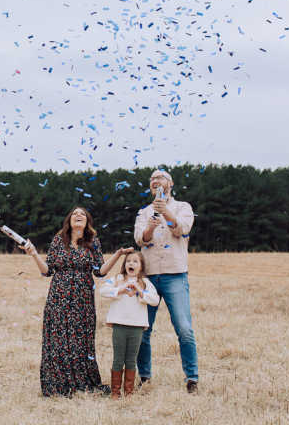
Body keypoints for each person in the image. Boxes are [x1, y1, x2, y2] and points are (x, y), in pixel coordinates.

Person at [20, 206, 133, 397]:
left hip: (83, 300)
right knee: (58, 340)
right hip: (58, 297)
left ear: (87, 221)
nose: (78, 215)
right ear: (69, 221)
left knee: (81, 341)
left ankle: (81, 383)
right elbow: (47, 270)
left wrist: (118, 254)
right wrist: (33, 254)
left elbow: (100, 271)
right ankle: (57, 385)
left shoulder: (93, 242)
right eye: (74, 213)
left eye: (82, 214)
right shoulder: (58, 240)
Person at [133, 169, 200, 393]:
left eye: (160, 177)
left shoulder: (183, 207)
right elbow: (140, 240)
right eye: (152, 179)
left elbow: (182, 230)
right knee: (143, 330)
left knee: (184, 328)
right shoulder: (143, 212)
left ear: (170, 183)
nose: (155, 181)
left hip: (175, 275)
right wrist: (151, 225)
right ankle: (144, 376)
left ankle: (192, 378)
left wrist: (167, 213)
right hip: (149, 276)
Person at [100, 252, 159, 399]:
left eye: (135, 262)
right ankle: (115, 391)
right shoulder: (117, 279)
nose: (131, 264)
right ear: (124, 265)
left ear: (141, 266)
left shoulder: (145, 283)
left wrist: (140, 291)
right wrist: (120, 289)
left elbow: (155, 300)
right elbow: (102, 290)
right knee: (118, 358)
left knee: (131, 359)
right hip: (119, 325)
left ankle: (128, 391)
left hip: (137, 327)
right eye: (128, 261)